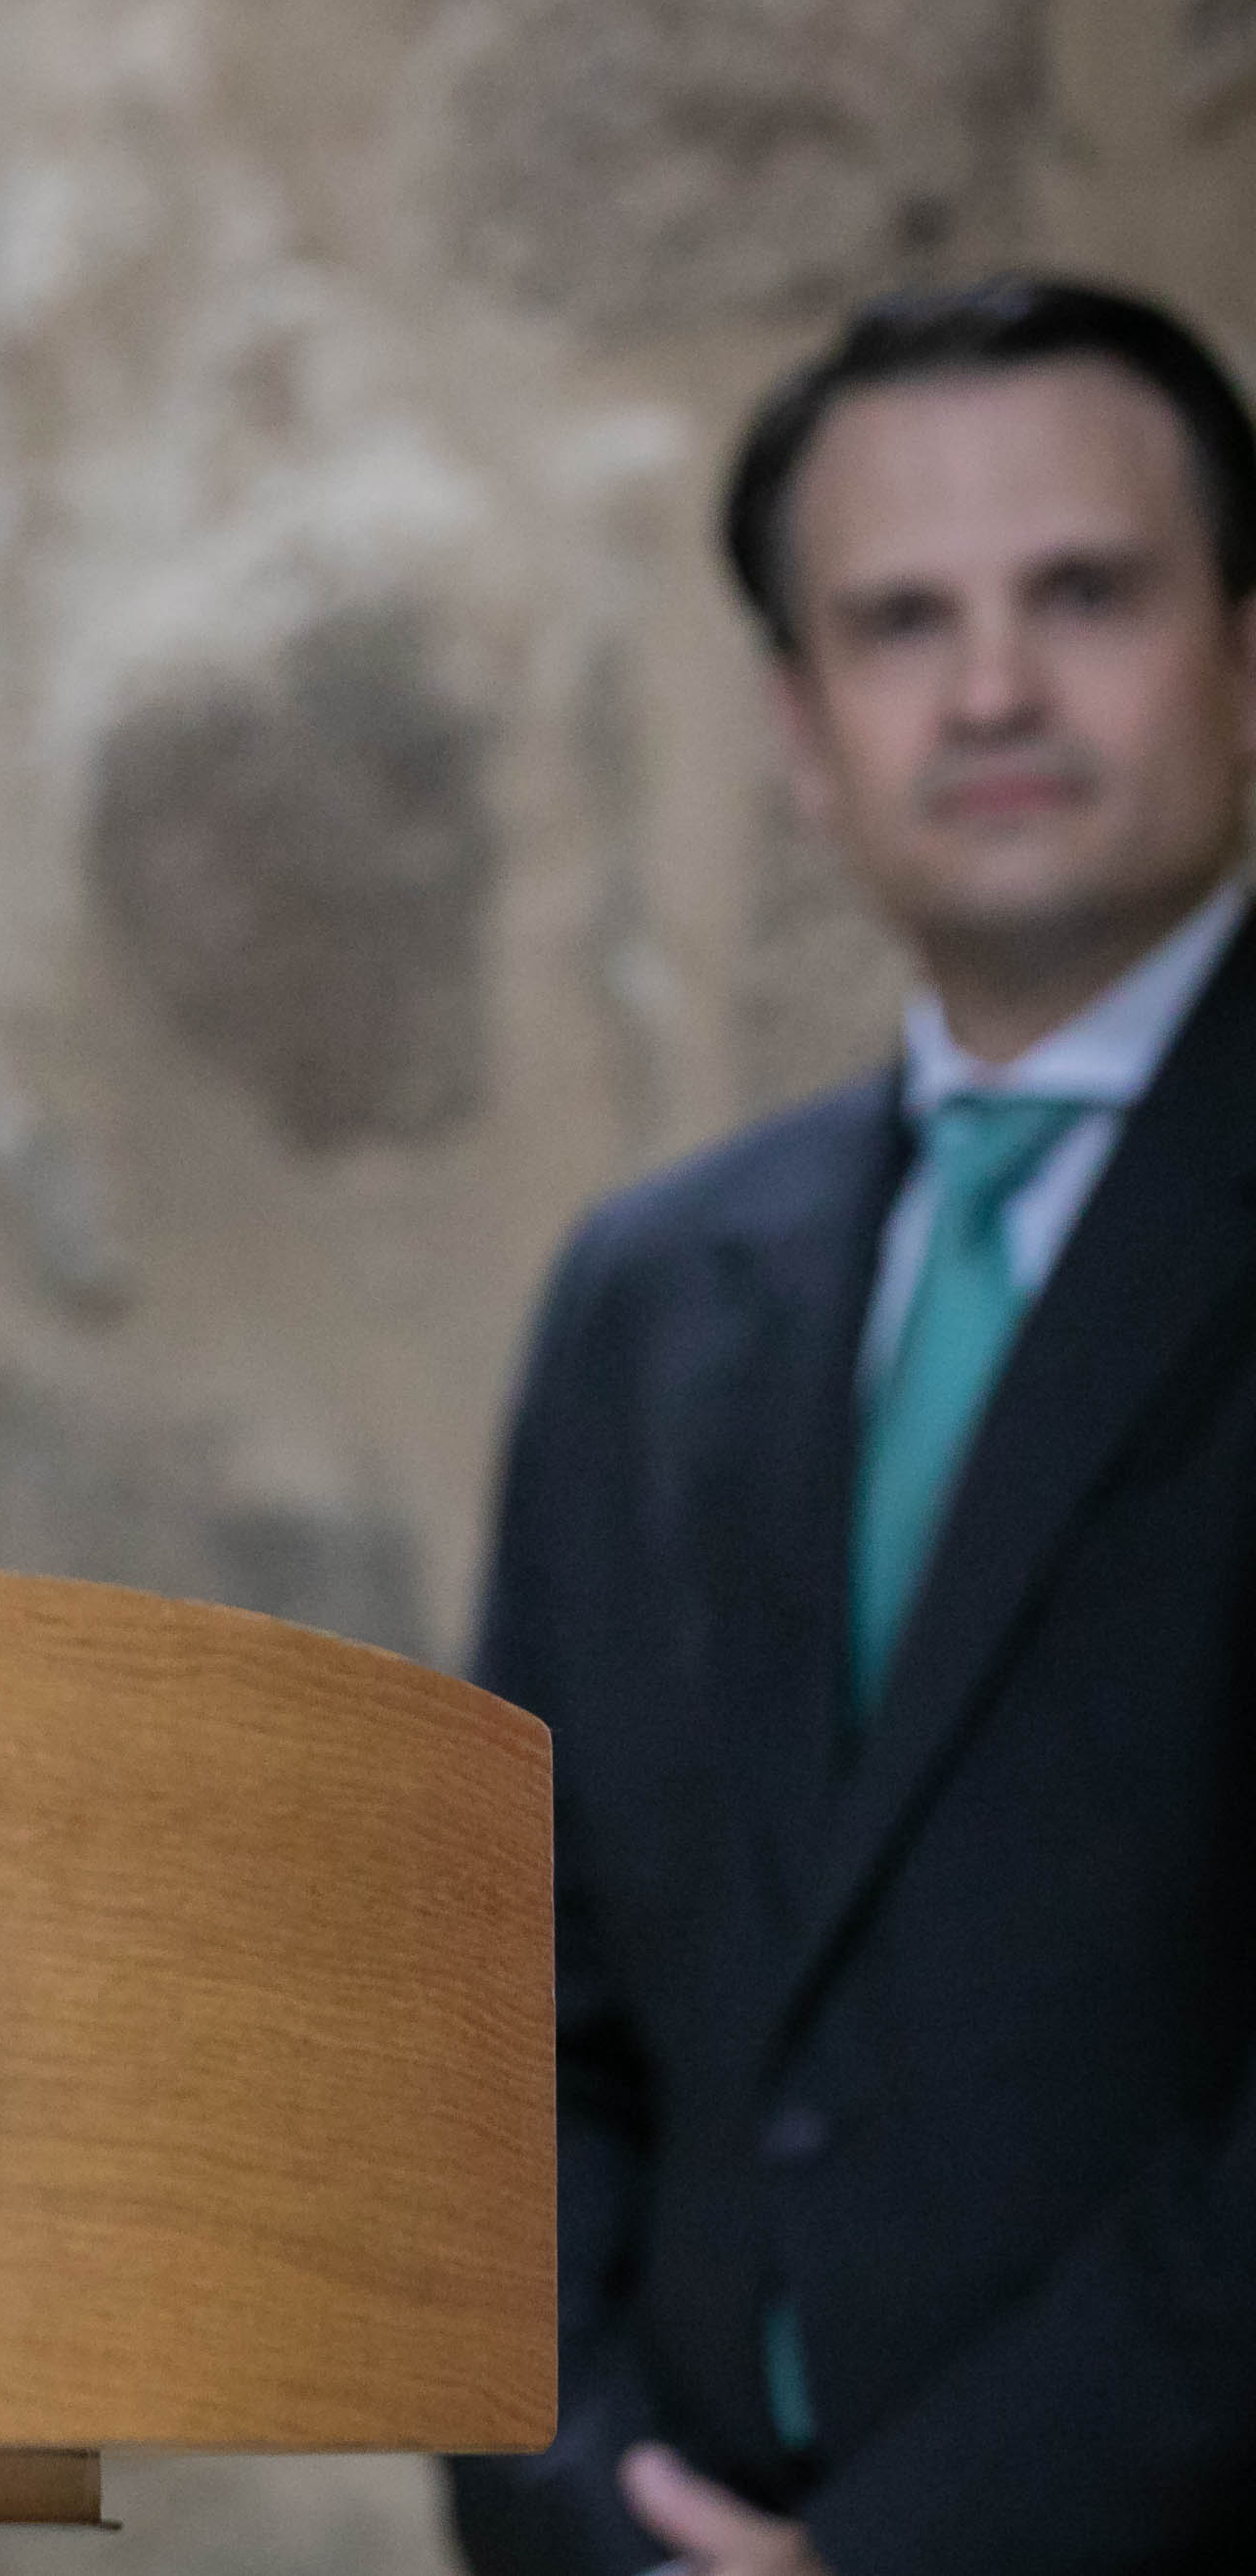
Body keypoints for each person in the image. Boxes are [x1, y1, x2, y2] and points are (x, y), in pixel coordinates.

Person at [447, 277, 1256, 2576]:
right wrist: (582, 2514)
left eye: (1078, 594)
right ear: (800, 728)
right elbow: (517, 2020)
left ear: (1240, 649)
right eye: (898, 622)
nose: (987, 686)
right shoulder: (644, 1296)